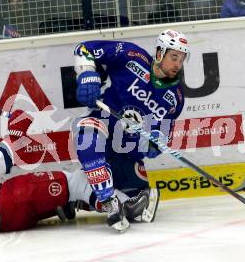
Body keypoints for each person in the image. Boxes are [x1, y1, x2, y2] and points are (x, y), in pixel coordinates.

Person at [0, 110, 150, 234]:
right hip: (8, 202)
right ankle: (122, 205)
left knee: (56, 190)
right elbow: (0, 161)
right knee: (73, 179)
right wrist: (16, 130)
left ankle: (63, 205)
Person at [72, 29, 187, 232]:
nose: (178, 64)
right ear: (160, 53)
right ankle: (108, 200)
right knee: (87, 137)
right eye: (174, 57)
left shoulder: (175, 98)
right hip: (103, 125)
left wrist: (155, 143)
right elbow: (84, 49)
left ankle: (79, 199)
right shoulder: (131, 55)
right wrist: (87, 74)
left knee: (136, 208)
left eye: (182, 59)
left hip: (127, 150)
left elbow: (162, 134)